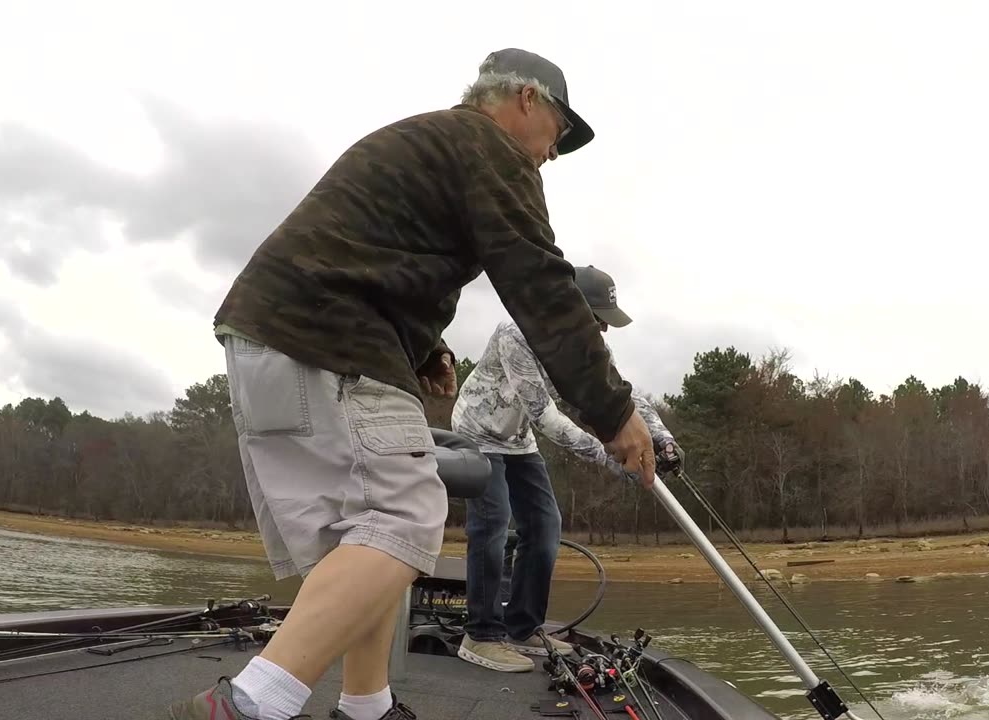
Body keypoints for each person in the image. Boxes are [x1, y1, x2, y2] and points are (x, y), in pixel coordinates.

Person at [165, 48, 658, 720]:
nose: (553, 153)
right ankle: (251, 704)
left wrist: (426, 348)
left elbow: (374, 251)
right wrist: (614, 412)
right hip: (332, 341)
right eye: (559, 133)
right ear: (524, 98)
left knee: (360, 535)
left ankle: (367, 707)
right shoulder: (489, 147)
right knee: (404, 519)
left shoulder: (433, 143)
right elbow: (540, 282)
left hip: (269, 336)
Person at [450, 265, 684, 673]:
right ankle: (481, 636)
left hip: (516, 437)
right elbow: (546, 417)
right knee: (492, 522)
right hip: (478, 432)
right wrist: (607, 456)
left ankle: (523, 627)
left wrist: (662, 437)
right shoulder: (518, 333)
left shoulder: (587, 347)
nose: (603, 331)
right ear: (572, 306)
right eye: (598, 320)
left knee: (545, 526)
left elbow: (622, 397)